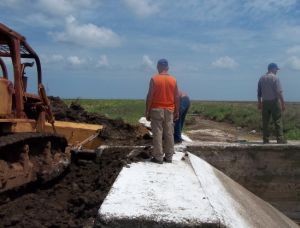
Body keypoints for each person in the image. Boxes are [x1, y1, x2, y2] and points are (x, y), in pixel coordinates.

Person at [145, 59, 179, 164]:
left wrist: (147, 110)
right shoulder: (173, 80)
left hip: (156, 109)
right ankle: (169, 157)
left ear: (158, 67)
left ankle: (158, 157)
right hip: (169, 110)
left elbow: (150, 96)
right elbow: (176, 97)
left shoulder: (154, 79)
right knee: (169, 133)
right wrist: (177, 111)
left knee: (157, 133)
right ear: (167, 68)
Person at [257, 63, 286, 144]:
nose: (277, 71)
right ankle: (280, 139)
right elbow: (279, 92)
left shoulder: (261, 78)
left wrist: (259, 103)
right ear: (272, 68)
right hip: (274, 101)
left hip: (265, 102)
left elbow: (259, 92)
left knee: (265, 121)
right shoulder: (275, 78)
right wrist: (283, 103)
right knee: (278, 121)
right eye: (276, 69)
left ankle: (265, 140)